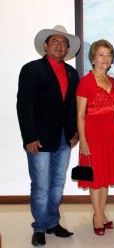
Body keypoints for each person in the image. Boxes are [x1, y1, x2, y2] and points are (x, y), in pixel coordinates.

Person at [17, 25, 81, 246]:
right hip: (39, 139)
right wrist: (29, 137)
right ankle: (40, 227)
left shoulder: (73, 73)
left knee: (57, 183)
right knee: (41, 185)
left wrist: (75, 132)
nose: (59, 45)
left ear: (67, 50)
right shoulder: (31, 69)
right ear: (45, 45)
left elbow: (72, 107)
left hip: (64, 138)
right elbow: (24, 106)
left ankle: (53, 223)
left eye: (64, 43)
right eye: (55, 41)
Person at [76, 39, 114, 236]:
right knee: (95, 177)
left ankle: (102, 214)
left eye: (108, 54)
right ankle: (96, 216)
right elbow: (79, 114)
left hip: (111, 134)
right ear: (93, 58)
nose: (105, 58)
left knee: (105, 177)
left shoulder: (112, 81)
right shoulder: (85, 82)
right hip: (93, 135)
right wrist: (83, 141)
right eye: (101, 54)